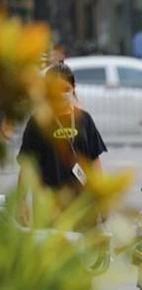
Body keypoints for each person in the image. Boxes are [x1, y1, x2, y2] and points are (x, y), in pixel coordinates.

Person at [17, 63, 107, 223]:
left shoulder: (85, 120)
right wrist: (21, 202)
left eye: (65, 89)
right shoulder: (38, 122)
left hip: (82, 205)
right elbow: (27, 166)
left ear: (74, 87)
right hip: (47, 206)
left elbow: (95, 161)